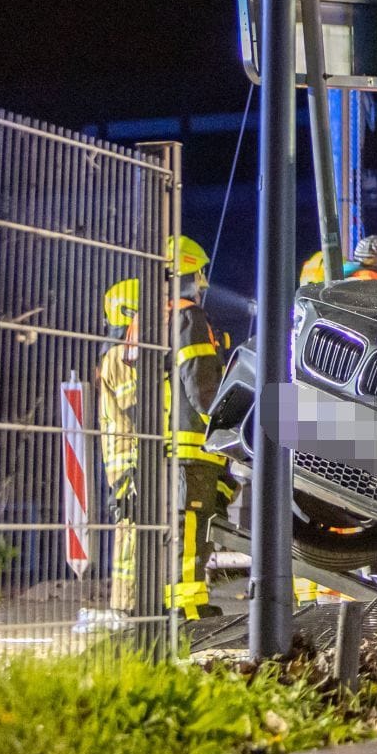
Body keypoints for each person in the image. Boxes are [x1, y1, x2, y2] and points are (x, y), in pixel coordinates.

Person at [164, 235, 232, 621]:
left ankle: (174, 604)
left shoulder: (153, 321)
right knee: (192, 528)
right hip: (192, 449)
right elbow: (202, 386)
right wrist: (225, 426)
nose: (203, 282)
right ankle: (188, 609)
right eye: (199, 273)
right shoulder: (189, 319)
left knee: (176, 530)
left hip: (166, 447)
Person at [75, 279, 142, 634]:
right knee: (131, 534)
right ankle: (126, 606)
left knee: (130, 531)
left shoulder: (112, 354)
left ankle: (127, 604)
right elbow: (138, 405)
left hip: (123, 459)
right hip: (131, 459)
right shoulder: (120, 356)